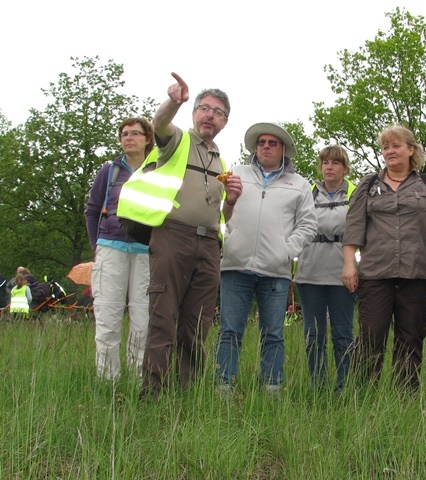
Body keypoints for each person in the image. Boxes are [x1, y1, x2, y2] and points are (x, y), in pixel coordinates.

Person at [137, 73, 241, 399]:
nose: (210, 115)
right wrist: (174, 101)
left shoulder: (221, 160)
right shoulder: (178, 141)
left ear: (225, 121)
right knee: (163, 317)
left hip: (210, 243)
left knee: (197, 325)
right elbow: (159, 124)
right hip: (172, 236)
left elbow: (224, 217)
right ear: (195, 113)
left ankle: (186, 393)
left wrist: (233, 201)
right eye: (204, 108)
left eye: (218, 111)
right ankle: (153, 394)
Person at [342, 125, 426, 391]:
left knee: (411, 339)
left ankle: (405, 403)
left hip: (418, 274)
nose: (389, 151)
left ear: (411, 150)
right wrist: (349, 265)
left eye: (396, 145)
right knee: (370, 338)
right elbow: (353, 228)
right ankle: (362, 400)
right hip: (375, 275)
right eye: (385, 147)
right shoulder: (368, 185)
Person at [215, 123, 317, 394]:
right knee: (229, 331)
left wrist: (285, 251)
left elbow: (308, 226)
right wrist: (231, 200)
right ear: (255, 147)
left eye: (273, 142)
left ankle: (272, 387)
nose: (266, 146)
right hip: (235, 265)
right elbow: (220, 215)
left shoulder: (299, 184)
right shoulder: (235, 174)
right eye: (261, 142)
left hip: (276, 271)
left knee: (273, 334)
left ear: (284, 149)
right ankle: (224, 386)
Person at [85, 117, 155, 379]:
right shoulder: (110, 171)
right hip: (110, 248)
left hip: (145, 251)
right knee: (107, 318)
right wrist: (96, 245)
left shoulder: (157, 172)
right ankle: (108, 382)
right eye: (124, 133)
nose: (128, 137)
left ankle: (139, 380)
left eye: (135, 133)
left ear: (148, 139)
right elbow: (92, 210)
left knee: (142, 321)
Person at [294, 145, 357, 391]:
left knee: (343, 334)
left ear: (344, 167)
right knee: (313, 334)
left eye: (335, 163)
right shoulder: (307, 193)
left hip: (343, 273)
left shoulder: (356, 192)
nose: (329, 167)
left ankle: (342, 387)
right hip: (309, 273)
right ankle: (317, 386)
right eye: (325, 162)